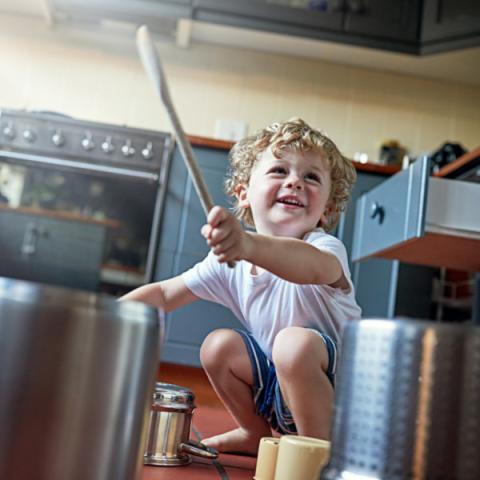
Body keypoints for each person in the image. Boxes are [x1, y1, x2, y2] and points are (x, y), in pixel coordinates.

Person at [121, 118, 361, 455]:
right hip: (282, 396)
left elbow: (310, 268)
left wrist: (247, 245)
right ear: (243, 193)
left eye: (311, 176)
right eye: (279, 170)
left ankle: (318, 454)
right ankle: (254, 433)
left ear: (327, 210)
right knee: (218, 346)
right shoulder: (230, 261)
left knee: (293, 344)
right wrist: (103, 320)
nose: (295, 181)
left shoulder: (323, 247)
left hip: (340, 403)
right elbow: (162, 294)